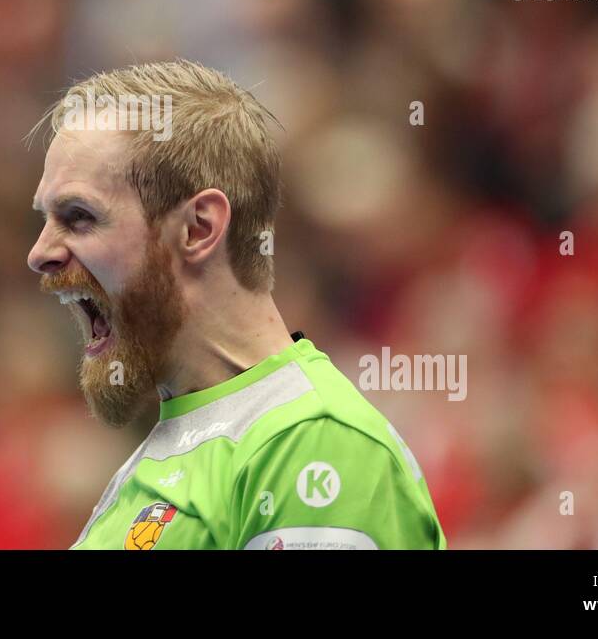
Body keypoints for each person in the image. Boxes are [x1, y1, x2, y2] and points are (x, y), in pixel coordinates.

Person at [27, 59, 446, 549]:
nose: (39, 254)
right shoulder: (164, 456)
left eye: (79, 217)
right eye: (45, 220)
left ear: (198, 228)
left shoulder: (312, 444)